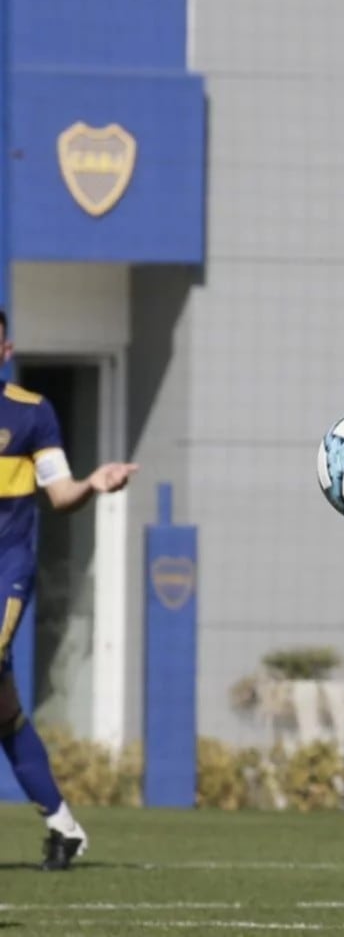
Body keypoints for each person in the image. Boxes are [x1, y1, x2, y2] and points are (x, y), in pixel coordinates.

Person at [0, 309, 138, 870]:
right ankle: (65, 827)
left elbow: (59, 494)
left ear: (5, 352)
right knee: (4, 711)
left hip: (4, 569)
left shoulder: (31, 414)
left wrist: (92, 485)